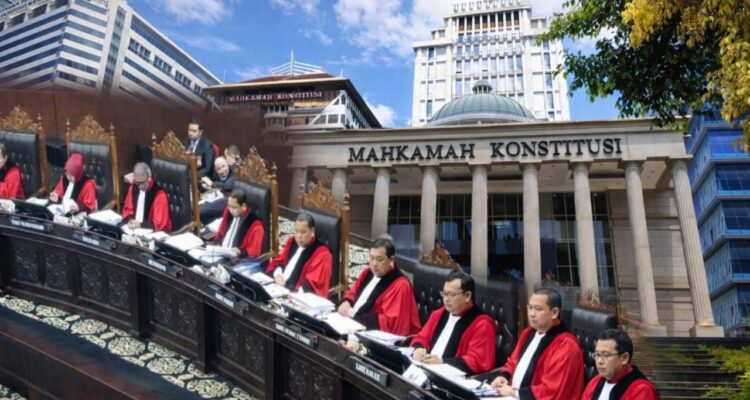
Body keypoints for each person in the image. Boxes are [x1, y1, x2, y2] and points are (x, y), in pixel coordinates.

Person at [490, 287, 584, 399]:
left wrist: (515, 393)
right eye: (530, 308)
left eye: (538, 309)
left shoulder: (566, 346)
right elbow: (513, 362)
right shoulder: (528, 333)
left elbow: (552, 390)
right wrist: (504, 376)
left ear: (554, 313)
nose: (532, 314)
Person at [409, 271, 497, 374]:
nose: (446, 299)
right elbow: (422, 337)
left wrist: (443, 362)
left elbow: (477, 361)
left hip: (450, 378)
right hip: (424, 370)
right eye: (444, 294)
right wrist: (418, 348)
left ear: (467, 296)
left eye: (450, 295)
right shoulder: (440, 313)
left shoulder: (482, 324)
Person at [338, 237, 421, 336]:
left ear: (391, 260)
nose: (374, 264)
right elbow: (353, 292)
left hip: (372, 333)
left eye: (379, 259)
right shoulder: (367, 272)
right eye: (371, 258)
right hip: (350, 322)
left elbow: (389, 323)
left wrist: (356, 315)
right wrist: (346, 302)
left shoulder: (400, 285)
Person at [266, 212, 332, 297]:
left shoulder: (322, 254)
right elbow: (279, 261)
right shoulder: (292, 241)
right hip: (278, 288)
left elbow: (312, 285)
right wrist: (278, 274)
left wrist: (294, 296)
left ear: (312, 231)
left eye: (303, 232)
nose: (298, 236)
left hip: (296, 296)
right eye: (296, 231)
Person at [582, 329, 660, 400]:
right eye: (597, 355)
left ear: (624, 358)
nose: (599, 361)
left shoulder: (641, 389)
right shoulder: (596, 381)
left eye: (605, 355)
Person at [121, 162, 172, 232]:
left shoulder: (159, 195)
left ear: (149, 178)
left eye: (142, 183)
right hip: (134, 231)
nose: (139, 186)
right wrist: (130, 221)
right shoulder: (133, 188)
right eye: (137, 183)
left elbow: (159, 224)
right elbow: (128, 210)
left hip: (152, 234)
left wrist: (141, 225)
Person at [214, 189, 264, 259]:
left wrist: (240, 251)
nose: (231, 210)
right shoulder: (228, 211)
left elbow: (254, 251)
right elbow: (220, 232)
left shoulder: (255, 225)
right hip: (220, 253)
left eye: (234, 207)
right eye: (229, 206)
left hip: (238, 260)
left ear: (243, 206)